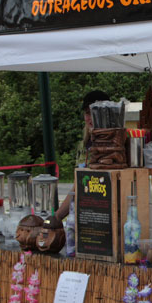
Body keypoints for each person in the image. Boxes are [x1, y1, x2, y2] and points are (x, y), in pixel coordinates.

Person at [54, 89, 110, 221]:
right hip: (86, 217)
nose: (90, 118)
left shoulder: (116, 144)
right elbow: (77, 187)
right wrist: (56, 218)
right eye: (87, 113)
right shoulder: (83, 145)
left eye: (94, 113)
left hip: (107, 216)